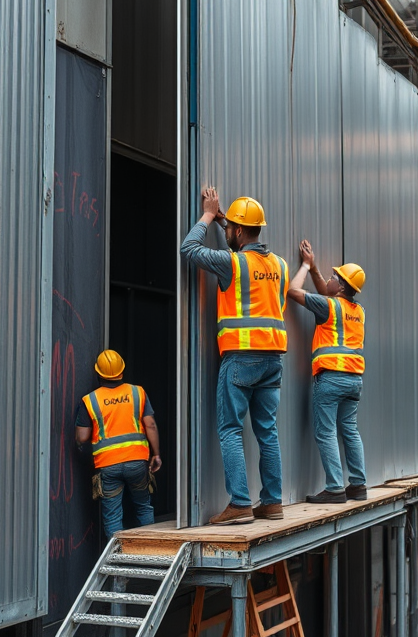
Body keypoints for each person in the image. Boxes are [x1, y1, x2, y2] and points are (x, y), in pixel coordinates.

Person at [181, 188, 289, 524]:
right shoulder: (281, 266)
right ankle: (271, 503)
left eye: (230, 228)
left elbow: (189, 249)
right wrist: (229, 221)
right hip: (273, 360)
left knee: (230, 429)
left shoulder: (233, 263)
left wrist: (208, 216)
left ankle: (240, 503)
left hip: (241, 357)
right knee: (266, 432)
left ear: (239, 232)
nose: (225, 232)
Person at [287, 240, 368, 503]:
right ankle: (358, 485)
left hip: (331, 377)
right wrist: (316, 270)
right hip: (354, 380)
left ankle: (334, 488)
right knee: (350, 430)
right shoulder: (357, 311)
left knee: (326, 432)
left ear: (342, 287)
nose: (330, 279)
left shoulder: (329, 307)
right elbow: (327, 291)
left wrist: (305, 266)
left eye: (335, 277)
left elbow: (292, 290)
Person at [75, 349, 161, 537]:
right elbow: (151, 425)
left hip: (108, 466)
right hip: (137, 462)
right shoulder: (137, 392)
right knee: (143, 507)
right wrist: (156, 455)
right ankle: (152, 549)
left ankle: (116, 558)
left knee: (113, 517)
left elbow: (82, 437)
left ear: (98, 373)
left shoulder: (89, 400)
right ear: (122, 370)